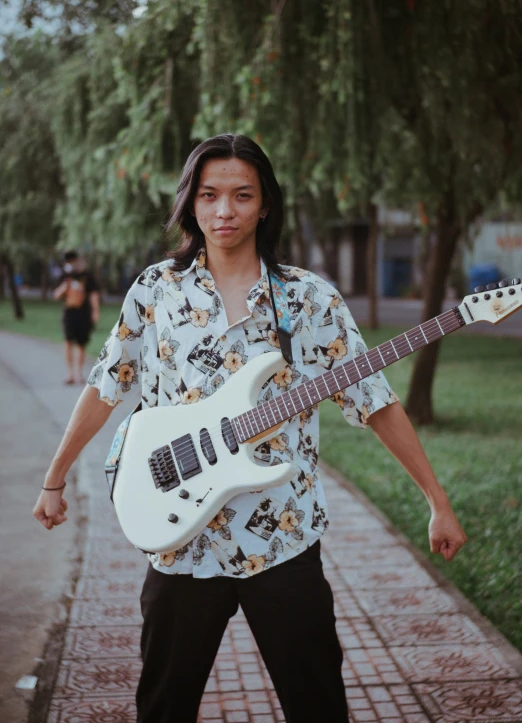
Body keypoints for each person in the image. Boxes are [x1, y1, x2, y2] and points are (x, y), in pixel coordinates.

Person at [34, 134, 467, 723]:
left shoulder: (309, 300)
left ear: (264, 205)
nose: (224, 211)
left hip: (282, 540)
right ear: (191, 203)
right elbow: (106, 385)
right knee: (163, 706)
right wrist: (54, 477)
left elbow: (377, 402)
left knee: (318, 706)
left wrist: (436, 499)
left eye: (242, 196)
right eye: (209, 195)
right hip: (181, 542)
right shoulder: (157, 291)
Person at [53, 250, 100, 385]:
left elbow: (93, 295)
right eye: (69, 261)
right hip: (69, 313)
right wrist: (65, 285)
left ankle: (79, 373)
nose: (71, 263)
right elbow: (56, 295)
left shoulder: (87, 276)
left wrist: (95, 312)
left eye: (73, 260)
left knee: (81, 343)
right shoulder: (64, 276)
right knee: (68, 342)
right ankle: (70, 373)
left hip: (83, 313)